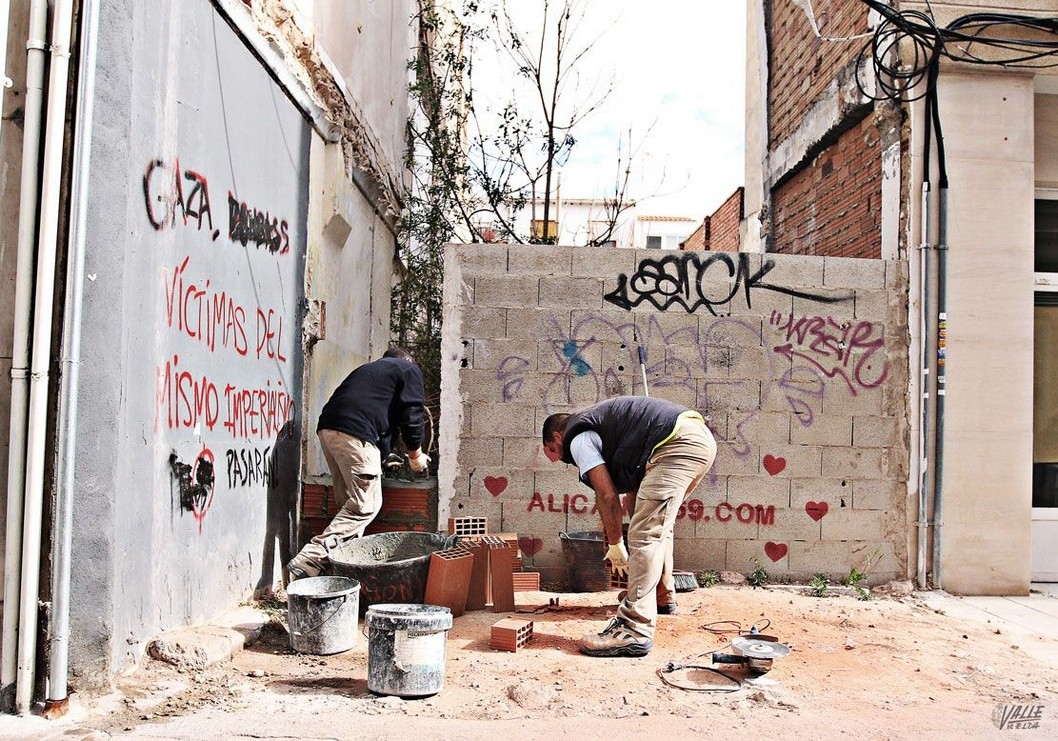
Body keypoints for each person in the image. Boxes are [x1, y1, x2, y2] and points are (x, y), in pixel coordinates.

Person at [541, 396, 716, 657]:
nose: (555, 460)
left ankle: (634, 628)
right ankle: (661, 596)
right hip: (695, 440)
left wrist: (615, 545)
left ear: (558, 436)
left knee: (644, 534)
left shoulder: (577, 438)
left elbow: (607, 495)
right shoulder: (603, 425)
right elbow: (625, 493)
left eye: (552, 451)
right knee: (654, 524)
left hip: (674, 446)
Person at [286, 346, 429, 581]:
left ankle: (344, 571)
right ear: (408, 361)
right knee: (365, 506)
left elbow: (382, 424)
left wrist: (384, 456)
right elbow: (412, 415)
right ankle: (311, 559)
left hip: (329, 431)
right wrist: (416, 455)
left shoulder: (369, 372)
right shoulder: (408, 369)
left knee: (350, 510)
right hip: (355, 435)